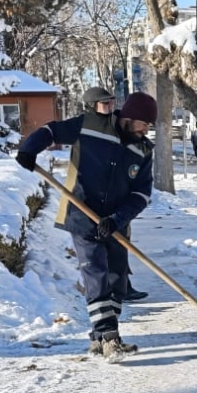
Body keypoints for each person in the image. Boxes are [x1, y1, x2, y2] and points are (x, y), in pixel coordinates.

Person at [15, 90, 158, 358]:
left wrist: (117, 219)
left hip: (116, 223)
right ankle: (109, 337)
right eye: (144, 123)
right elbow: (51, 130)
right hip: (82, 217)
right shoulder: (91, 125)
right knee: (96, 276)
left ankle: (99, 336)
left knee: (117, 282)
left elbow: (142, 194)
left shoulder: (143, 150)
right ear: (130, 117)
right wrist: (29, 148)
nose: (146, 129)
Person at [81, 86, 149, 302]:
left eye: (111, 102)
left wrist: (119, 216)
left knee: (119, 247)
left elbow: (140, 187)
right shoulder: (88, 129)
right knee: (98, 262)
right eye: (104, 103)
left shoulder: (130, 138)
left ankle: (122, 286)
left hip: (118, 208)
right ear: (91, 106)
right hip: (88, 211)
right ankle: (108, 295)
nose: (109, 107)